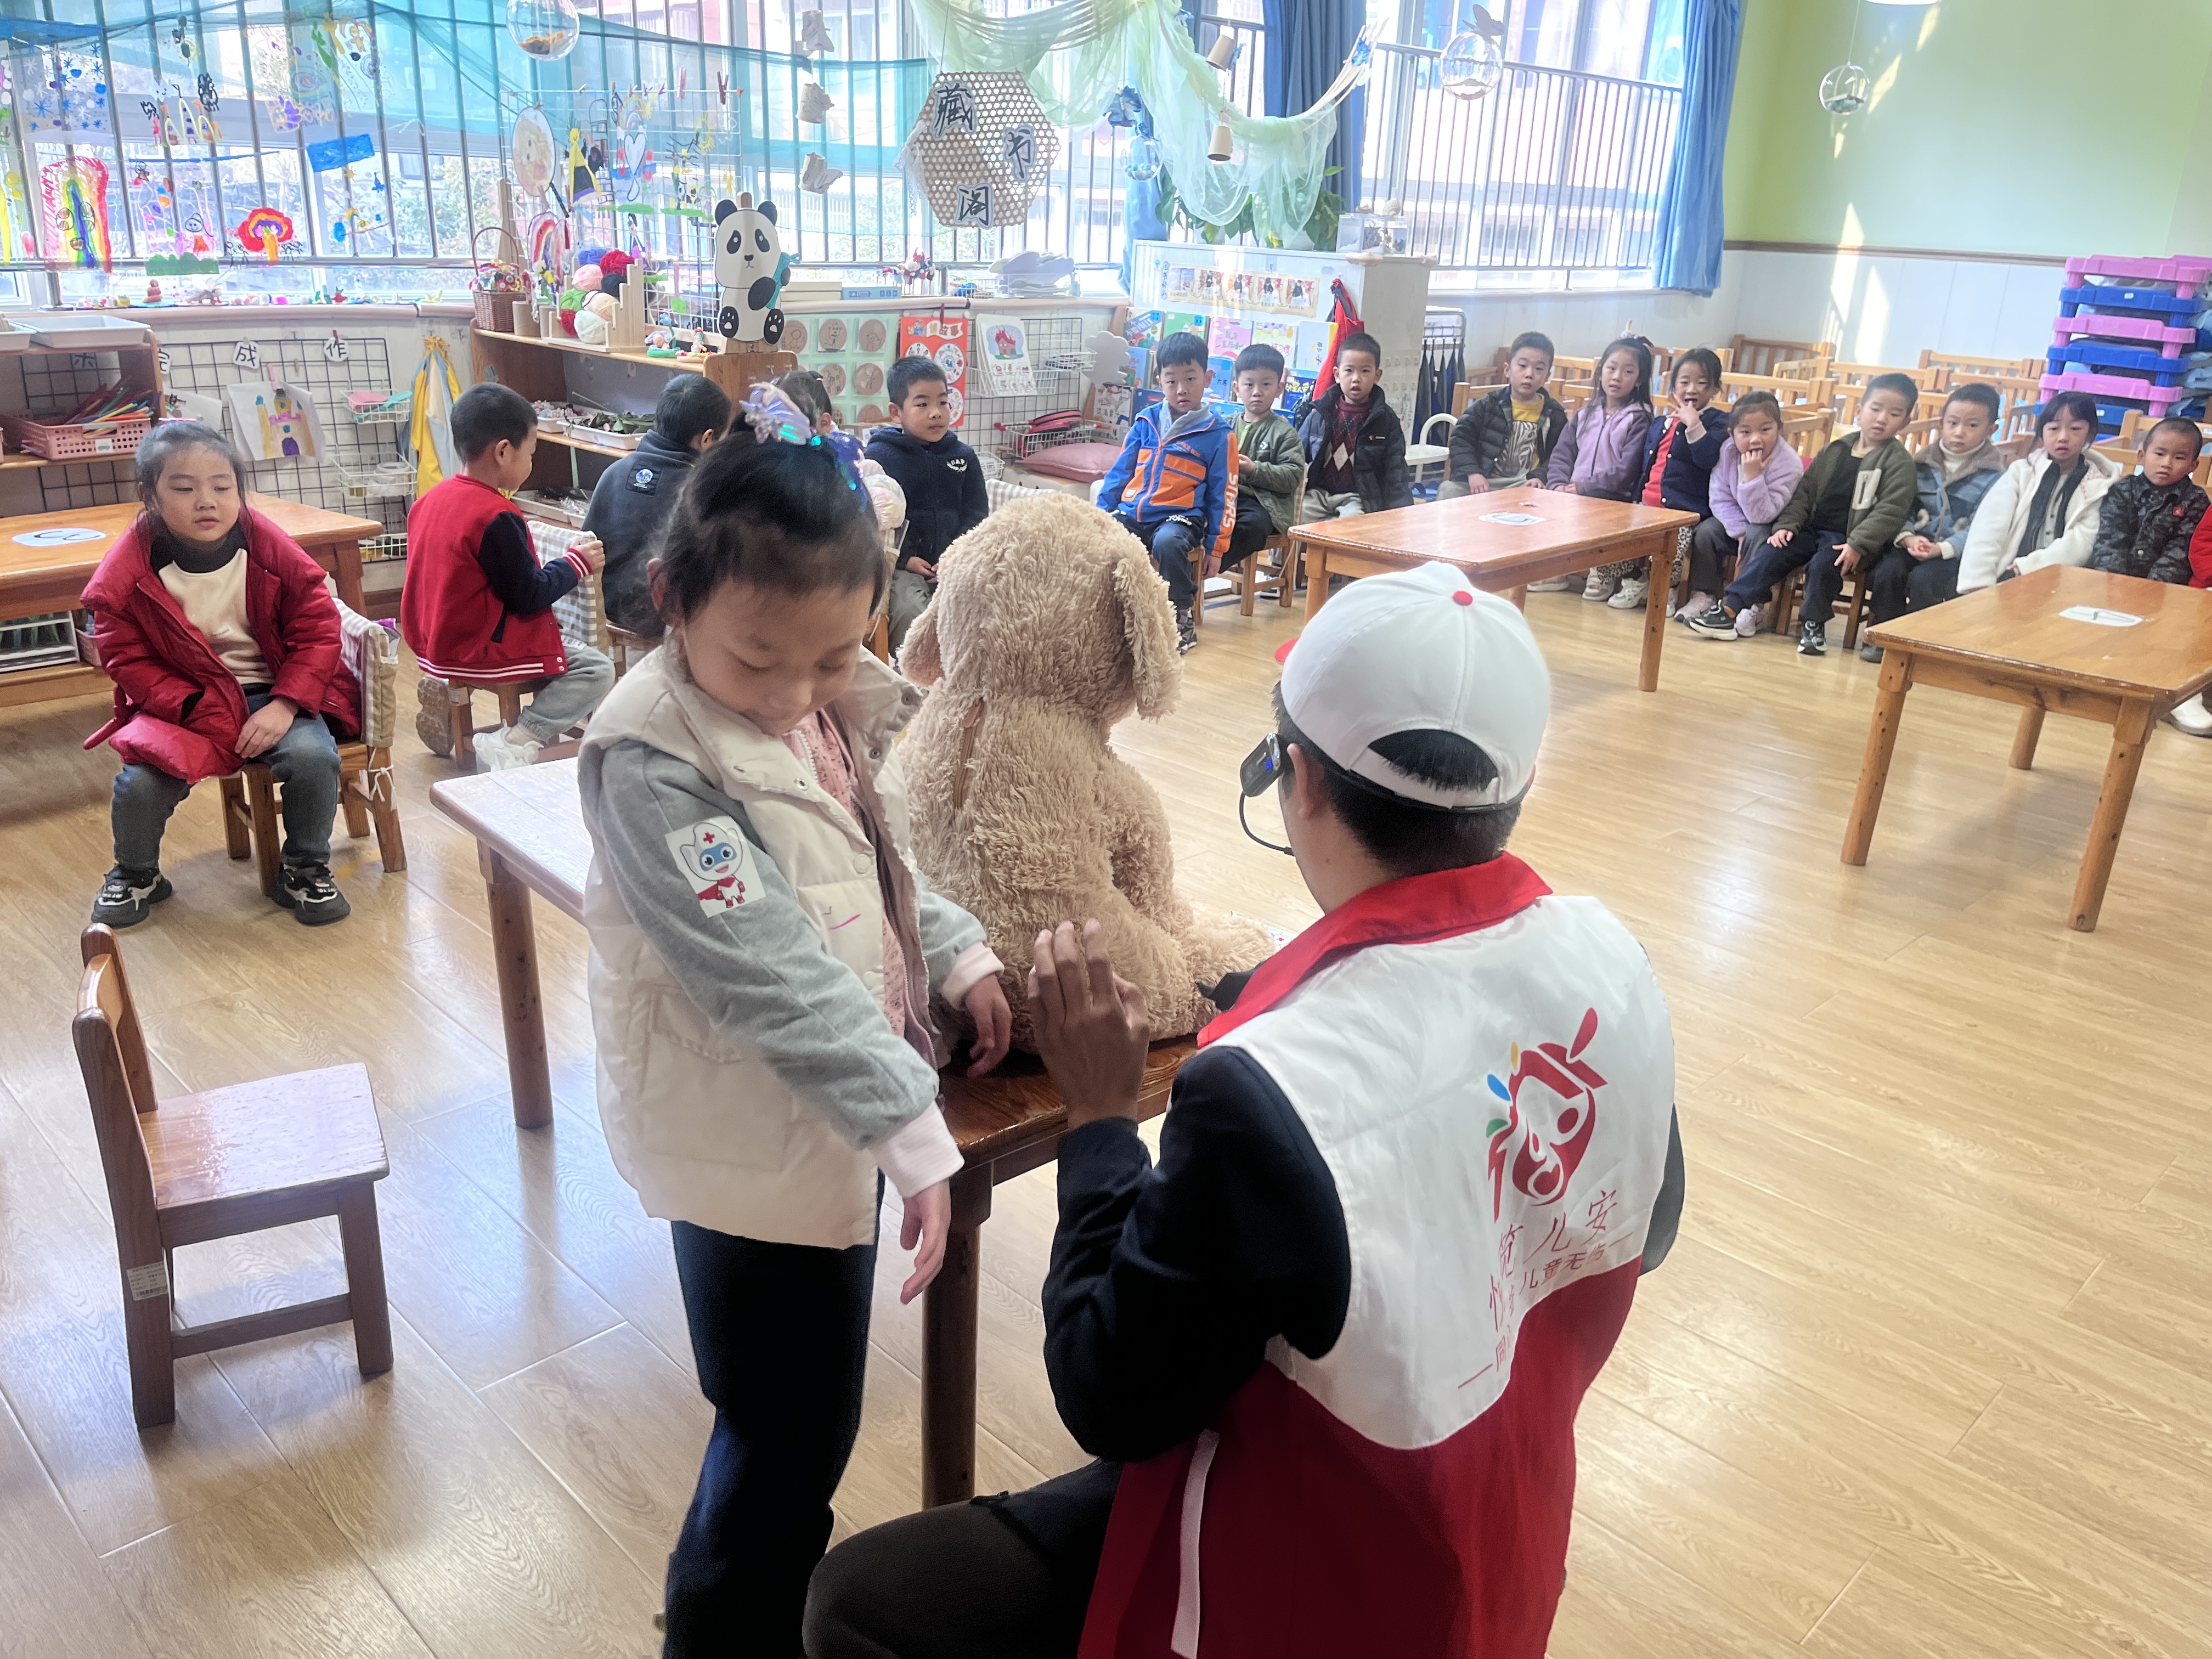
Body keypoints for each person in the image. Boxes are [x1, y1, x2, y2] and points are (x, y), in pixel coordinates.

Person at [803, 561, 1684, 1659]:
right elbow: (1643, 1224)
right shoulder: (1613, 957)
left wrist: (1099, 1119)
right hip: (1497, 1534)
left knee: (859, 1603)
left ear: (1297, 778)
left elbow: (1108, 1391)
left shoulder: (1263, 1089)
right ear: (1523, 777)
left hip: (1312, 1581)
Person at [577, 417, 1015, 1658]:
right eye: (759, 658)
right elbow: (763, 963)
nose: (791, 695)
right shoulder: (651, 759)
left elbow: (864, 861)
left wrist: (953, 946)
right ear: (671, 599)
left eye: (831, 658)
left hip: (828, 1112)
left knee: (807, 1419)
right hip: (742, 1137)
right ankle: (721, 1632)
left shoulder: (817, 714)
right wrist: (910, 1127)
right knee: (780, 1431)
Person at [83, 421, 359, 928]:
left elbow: (319, 630)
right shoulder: (130, 572)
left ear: (239, 491)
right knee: (141, 783)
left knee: (314, 758)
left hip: (273, 693)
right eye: (184, 488)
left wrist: (287, 704)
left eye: (222, 486)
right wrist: (192, 707)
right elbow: (125, 659)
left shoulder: (269, 549)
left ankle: (304, 869)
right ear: (149, 496)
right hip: (184, 703)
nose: (206, 501)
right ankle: (136, 873)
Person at [403, 382, 612, 768]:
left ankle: (452, 695)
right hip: (479, 649)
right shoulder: (496, 515)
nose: (532, 464)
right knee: (597, 668)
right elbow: (528, 596)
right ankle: (518, 738)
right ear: (503, 451)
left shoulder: (429, 500)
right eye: (530, 453)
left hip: (435, 642)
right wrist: (575, 563)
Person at [1684, 373, 1919, 655]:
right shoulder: (1836, 450)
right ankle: (1729, 610)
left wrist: (1859, 544)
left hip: (1848, 538)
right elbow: (1804, 493)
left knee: (1823, 565)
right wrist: (1787, 525)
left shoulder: (1899, 463)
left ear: (1905, 422)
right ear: (1859, 411)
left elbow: (1890, 511)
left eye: (1894, 414)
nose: (1882, 419)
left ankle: (1813, 626)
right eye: (1876, 409)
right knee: (1772, 551)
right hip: (1811, 529)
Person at [1097, 330, 1238, 654]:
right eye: (1172, 381)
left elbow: (1225, 494)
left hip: (1180, 518)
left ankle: (1181, 618)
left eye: (1191, 378)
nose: (1181, 389)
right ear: (1159, 381)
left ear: (1208, 378)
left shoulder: (1218, 434)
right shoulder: (1146, 421)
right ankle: (1111, 614)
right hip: (1134, 511)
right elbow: (1120, 473)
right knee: (1105, 540)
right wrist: (1100, 516)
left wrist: (1217, 548)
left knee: (1168, 543)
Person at [1857, 382, 2005, 658]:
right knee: (1887, 572)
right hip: (1912, 544)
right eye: (1953, 423)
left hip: (1953, 554)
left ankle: (1915, 644)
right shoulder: (1918, 464)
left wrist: (1944, 549)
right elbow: (1902, 507)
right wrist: (1908, 538)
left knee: (1925, 580)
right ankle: (1883, 637)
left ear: (1991, 430)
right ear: (1941, 423)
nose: (1959, 432)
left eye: (1972, 425)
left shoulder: (1995, 476)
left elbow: (1984, 526)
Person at [583, 373, 731, 634]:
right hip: (660, 616)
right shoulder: (700, 489)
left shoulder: (615, 471)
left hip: (603, 604)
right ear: (707, 439)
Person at [866, 357, 989, 657]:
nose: (936, 413)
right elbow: (875, 519)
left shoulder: (963, 456)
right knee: (910, 611)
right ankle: (911, 678)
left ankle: (964, 675)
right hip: (904, 567)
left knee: (986, 610)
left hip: (957, 564)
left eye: (943, 402)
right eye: (922, 404)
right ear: (897, 412)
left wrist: (955, 557)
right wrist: (906, 559)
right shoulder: (880, 456)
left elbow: (977, 514)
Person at [1956, 390, 2118, 593]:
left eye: (2075, 429)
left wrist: (2025, 568)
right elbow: (1989, 526)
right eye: (2054, 428)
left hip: (2064, 582)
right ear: (2042, 432)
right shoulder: (2021, 473)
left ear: (2091, 433)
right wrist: (1979, 582)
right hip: (2005, 575)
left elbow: (2082, 541)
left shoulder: (2098, 484)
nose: (2063, 437)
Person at [1606, 345, 1729, 612]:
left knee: (1675, 542)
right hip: (1646, 506)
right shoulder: (1660, 422)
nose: (1692, 389)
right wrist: (1636, 499)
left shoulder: (1718, 422)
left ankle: (1666, 588)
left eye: (1702, 383)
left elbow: (1708, 458)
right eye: (1684, 382)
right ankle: (1636, 580)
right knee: (1608, 532)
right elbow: (1646, 466)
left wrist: (1694, 425)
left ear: (1715, 389)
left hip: (1683, 512)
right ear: (1673, 387)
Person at [1537, 336, 1653, 598]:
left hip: (1613, 494)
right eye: (1611, 368)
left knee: (1595, 509)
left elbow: (1626, 470)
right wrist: (1557, 483)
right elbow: (1562, 454)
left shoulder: (1639, 418)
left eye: (1628, 372)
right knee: (1550, 502)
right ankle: (1556, 569)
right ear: (1601, 372)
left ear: (1640, 380)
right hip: (1574, 490)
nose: (1617, 377)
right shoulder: (1585, 413)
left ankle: (1603, 573)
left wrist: (1584, 487)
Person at [1680, 390, 1802, 629]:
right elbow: (1719, 498)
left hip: (1772, 528)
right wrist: (1738, 532)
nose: (1756, 439)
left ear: (1779, 429)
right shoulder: (1729, 451)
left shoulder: (1789, 463)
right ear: (1732, 434)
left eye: (1765, 430)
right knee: (1707, 531)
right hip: (1737, 525)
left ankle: (1753, 605)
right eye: (1745, 432)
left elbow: (1764, 515)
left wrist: (1752, 477)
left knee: (1757, 534)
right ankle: (1705, 595)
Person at [1295, 330, 1413, 524]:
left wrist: (1400, 513)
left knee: (1352, 524)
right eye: (1349, 371)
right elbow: (1298, 456)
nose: (1356, 378)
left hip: (1357, 497)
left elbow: (1396, 469)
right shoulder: (1320, 415)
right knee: (1296, 518)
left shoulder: (1385, 420)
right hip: (1318, 493)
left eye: (1365, 371)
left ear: (1377, 375)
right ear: (1337, 374)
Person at [1441, 330, 1567, 499]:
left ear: (1547, 376)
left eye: (1539, 369)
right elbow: (1461, 440)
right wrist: (1473, 473)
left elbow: (1559, 455)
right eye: (1523, 366)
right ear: (1508, 370)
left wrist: (1540, 477)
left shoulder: (1555, 414)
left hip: (1524, 483)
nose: (1529, 374)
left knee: (1546, 497)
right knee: (1448, 490)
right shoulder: (1488, 406)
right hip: (1487, 482)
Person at [2090, 417, 2208, 582]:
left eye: (2179, 458)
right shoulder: (2123, 490)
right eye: (2160, 454)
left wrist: (2151, 587)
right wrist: (2114, 581)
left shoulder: (2195, 500)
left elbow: (2179, 554)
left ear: (2193, 466)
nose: (2167, 463)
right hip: (2112, 581)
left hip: (2164, 587)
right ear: (2142, 455)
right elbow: (2110, 540)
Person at [1225, 342, 1305, 570]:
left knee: (1252, 527)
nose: (1257, 392)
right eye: (1249, 384)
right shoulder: (1224, 425)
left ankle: (1208, 568)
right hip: (1223, 498)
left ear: (1279, 388)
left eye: (1266, 384)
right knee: (1191, 516)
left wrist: (1254, 470)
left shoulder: (1285, 432)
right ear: (1237, 388)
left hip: (1263, 504)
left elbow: (1292, 476)